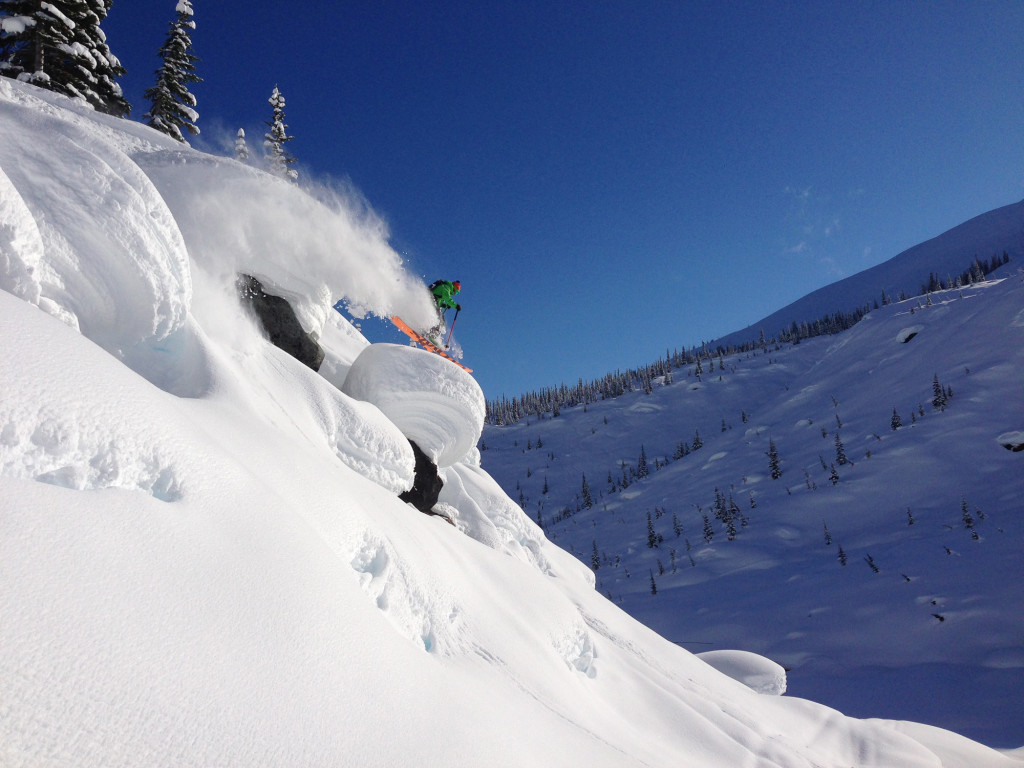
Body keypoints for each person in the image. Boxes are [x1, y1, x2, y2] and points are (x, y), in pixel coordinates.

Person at [426, 279, 461, 344]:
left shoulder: (446, 288)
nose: (454, 294)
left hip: (433, 301)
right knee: (440, 320)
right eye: (456, 292)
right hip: (430, 299)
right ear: (454, 288)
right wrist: (456, 306)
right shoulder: (446, 287)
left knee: (443, 322)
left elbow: (439, 302)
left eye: (456, 293)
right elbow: (447, 299)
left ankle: (433, 334)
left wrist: (445, 306)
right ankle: (431, 333)